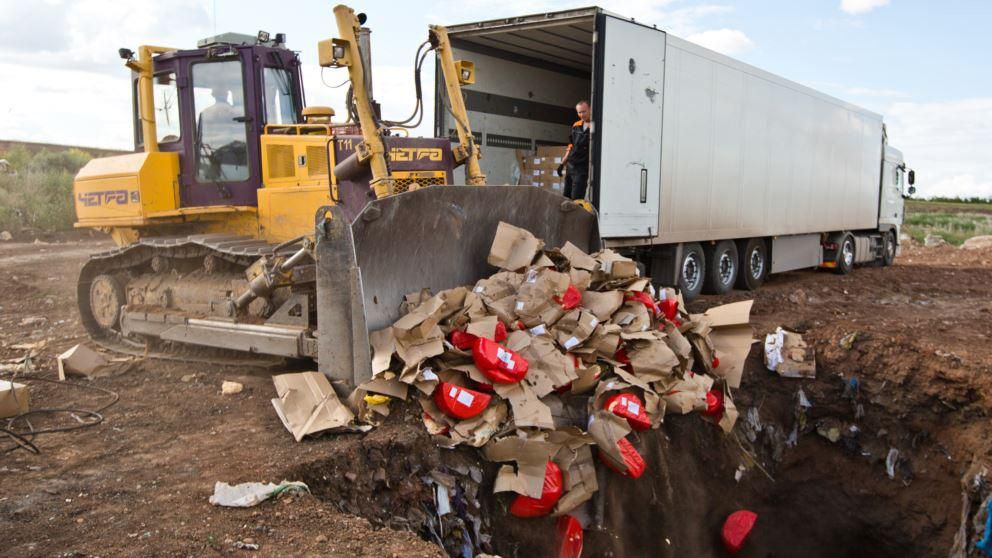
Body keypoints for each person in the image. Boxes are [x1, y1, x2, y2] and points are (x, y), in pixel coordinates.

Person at [557, 100, 591, 200]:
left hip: (582, 168)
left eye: (584, 111)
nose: (581, 114)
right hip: (571, 166)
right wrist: (562, 164)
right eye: (579, 112)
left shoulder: (596, 125)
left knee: (576, 199)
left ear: (590, 109)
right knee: (566, 197)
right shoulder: (576, 125)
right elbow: (571, 145)